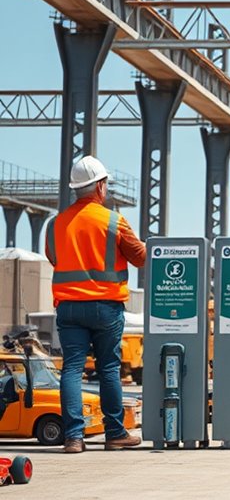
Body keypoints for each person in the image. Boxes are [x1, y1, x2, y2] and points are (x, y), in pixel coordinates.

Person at [45, 156, 146, 453]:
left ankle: (74, 438)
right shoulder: (114, 221)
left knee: (73, 369)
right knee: (109, 368)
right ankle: (114, 433)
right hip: (105, 305)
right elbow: (140, 257)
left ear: (76, 189)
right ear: (100, 187)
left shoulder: (55, 224)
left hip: (69, 307)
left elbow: (54, 259)